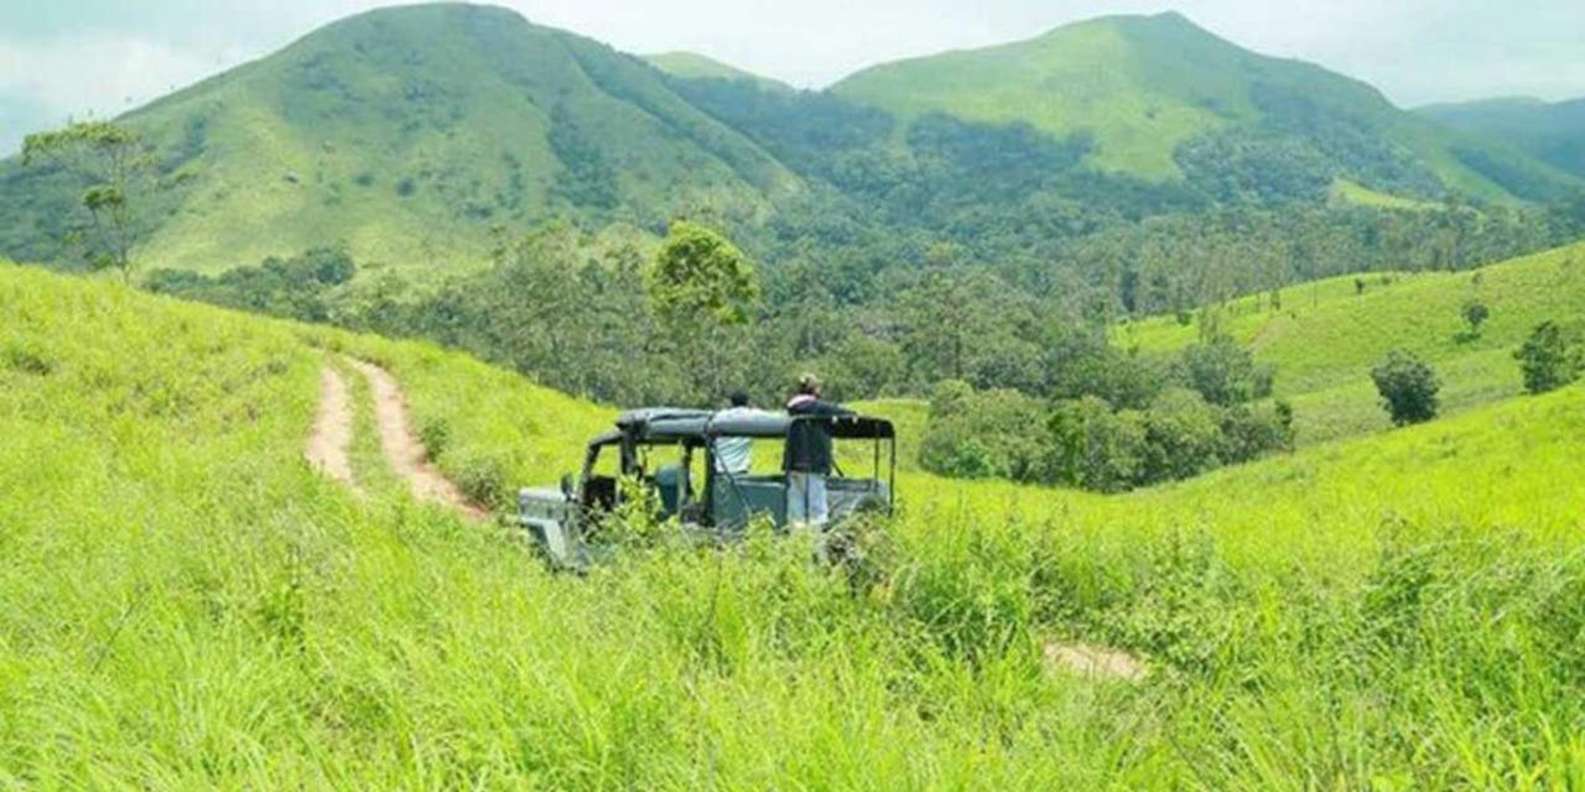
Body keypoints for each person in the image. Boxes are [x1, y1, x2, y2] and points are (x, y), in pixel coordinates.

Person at [782, 373, 853, 530]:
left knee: (796, 507)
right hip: (814, 463)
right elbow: (846, 414)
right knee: (817, 509)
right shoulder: (819, 408)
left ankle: (797, 542)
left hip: (793, 463)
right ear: (815, 390)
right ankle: (816, 545)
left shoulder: (791, 409)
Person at [712, 391, 758, 475]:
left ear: (731, 402)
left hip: (720, 469)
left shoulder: (720, 416)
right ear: (747, 402)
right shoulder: (752, 416)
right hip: (740, 470)